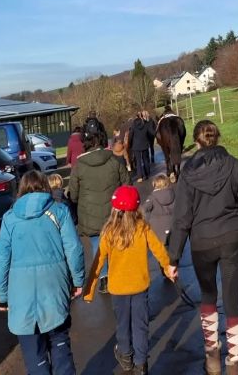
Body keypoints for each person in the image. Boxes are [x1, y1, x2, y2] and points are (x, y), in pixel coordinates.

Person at [168, 120, 238, 375]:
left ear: (196, 141)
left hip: (202, 244)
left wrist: (173, 258)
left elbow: (181, 219)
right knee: (232, 301)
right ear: (217, 137)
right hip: (233, 240)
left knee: (208, 296)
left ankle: (212, 358)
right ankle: (236, 362)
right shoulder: (235, 166)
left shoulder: (187, 174)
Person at [0, 170, 85, 375]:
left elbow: (0, 260)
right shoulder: (59, 211)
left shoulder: (10, 218)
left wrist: (3, 296)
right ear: (46, 186)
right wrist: (78, 281)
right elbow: (74, 249)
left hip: (21, 294)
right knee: (60, 344)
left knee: (34, 354)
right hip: (54, 287)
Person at [83, 186, 175, 375]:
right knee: (140, 325)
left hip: (118, 289)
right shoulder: (143, 227)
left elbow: (98, 262)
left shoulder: (109, 232)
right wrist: (168, 268)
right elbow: (158, 249)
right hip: (140, 286)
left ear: (114, 208)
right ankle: (141, 364)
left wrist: (89, 290)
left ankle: (125, 356)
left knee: (123, 324)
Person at [69, 130, 129, 294]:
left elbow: (73, 194)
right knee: (116, 241)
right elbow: (126, 184)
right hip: (114, 211)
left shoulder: (79, 166)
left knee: (97, 244)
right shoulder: (114, 160)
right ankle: (119, 271)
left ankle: (104, 277)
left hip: (90, 214)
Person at [142, 173, 175, 247]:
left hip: (157, 228)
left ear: (155, 184)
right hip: (171, 226)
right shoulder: (173, 194)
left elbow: (144, 209)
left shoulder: (152, 197)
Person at [128, 110, 154, 183]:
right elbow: (150, 133)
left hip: (136, 145)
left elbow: (130, 135)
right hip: (145, 144)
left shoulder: (133, 125)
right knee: (145, 159)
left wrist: (130, 143)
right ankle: (147, 173)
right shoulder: (145, 124)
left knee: (138, 161)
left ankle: (140, 176)